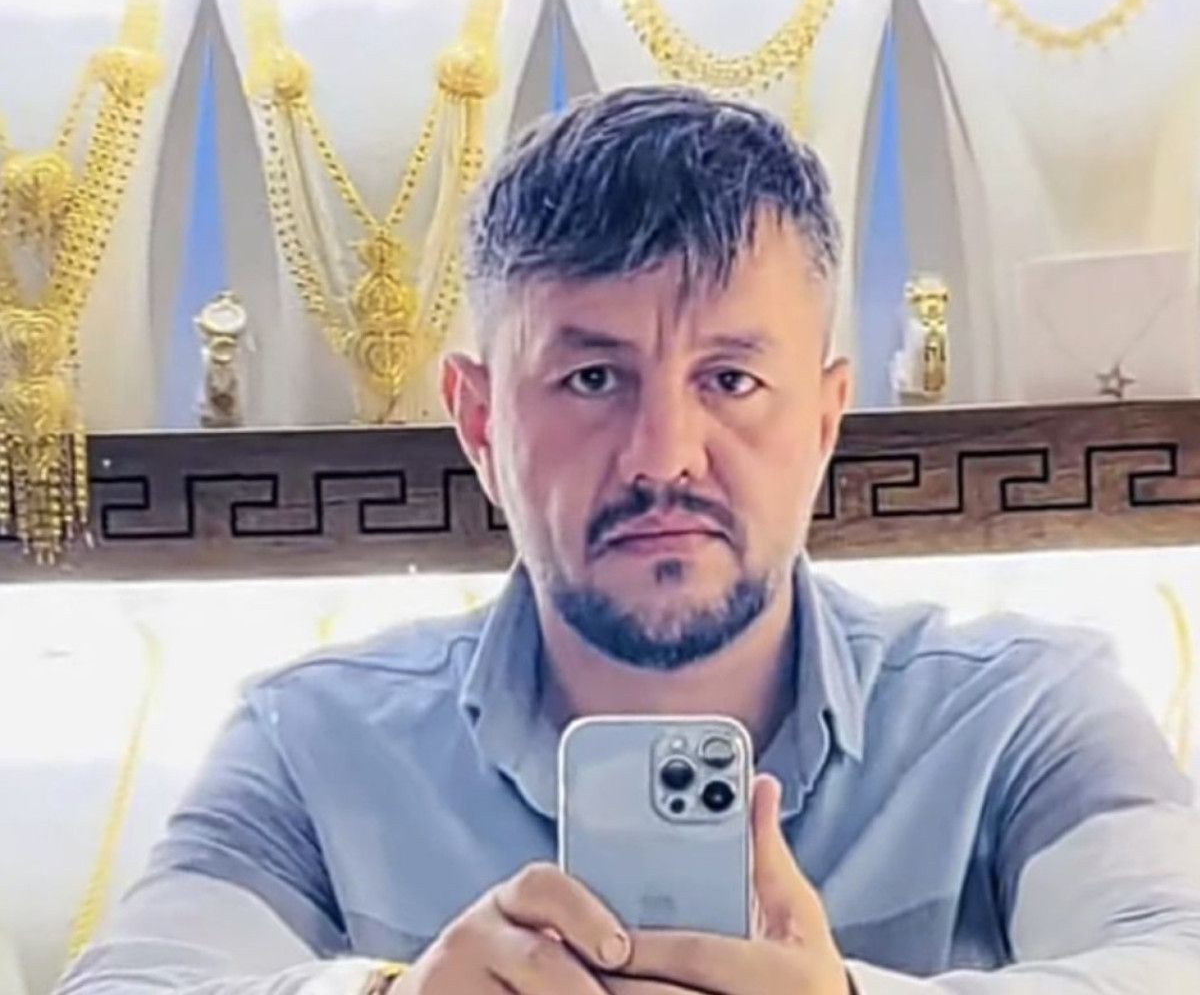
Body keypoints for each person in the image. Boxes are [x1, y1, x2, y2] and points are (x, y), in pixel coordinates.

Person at [58, 85, 1200, 995]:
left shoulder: (1023, 713)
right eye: (593, 379)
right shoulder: (312, 740)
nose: (664, 455)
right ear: (480, 423)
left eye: (731, 379)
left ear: (824, 418)